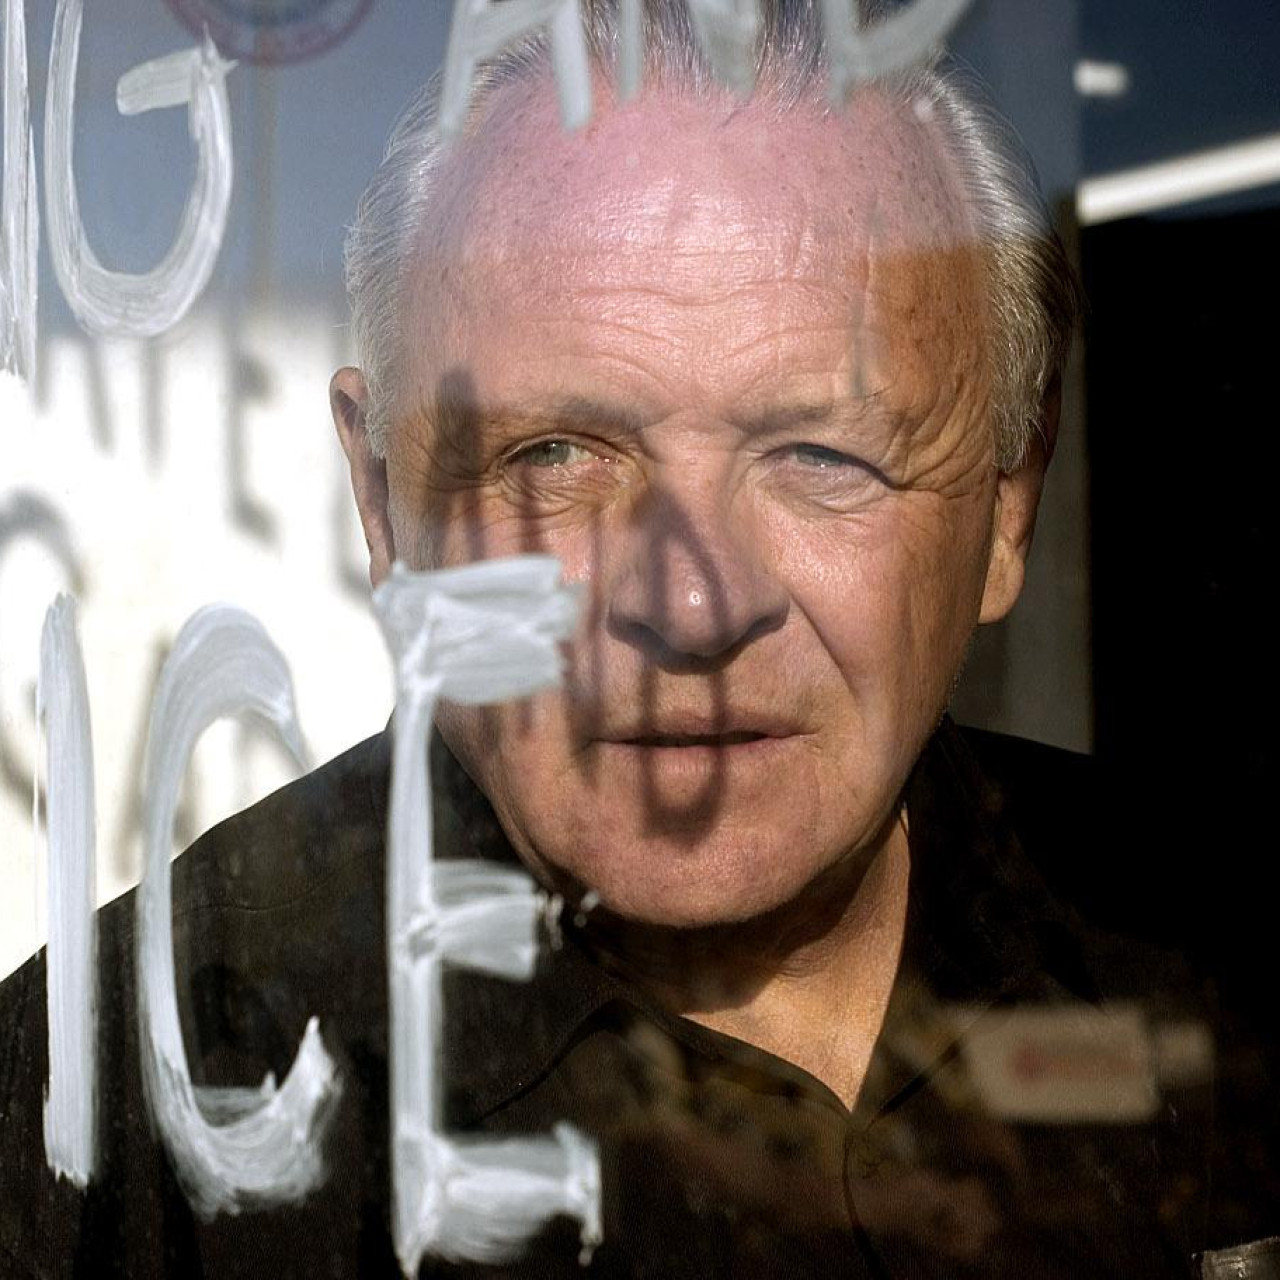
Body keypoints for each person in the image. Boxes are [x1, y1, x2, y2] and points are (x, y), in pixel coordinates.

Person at [0, 2, 1271, 1276]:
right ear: (382, 504)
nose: (695, 606)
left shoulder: (1217, 959)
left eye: (822, 454)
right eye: (554, 454)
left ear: (1006, 505)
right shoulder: (94, 1145)